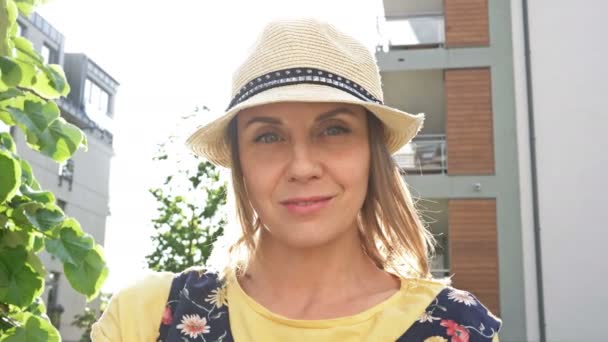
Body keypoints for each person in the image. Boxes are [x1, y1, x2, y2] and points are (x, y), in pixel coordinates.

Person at [91, 18, 502, 341]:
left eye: (334, 129)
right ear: (240, 162)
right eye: (268, 136)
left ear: (371, 154)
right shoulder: (146, 317)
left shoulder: (459, 328)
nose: (302, 166)